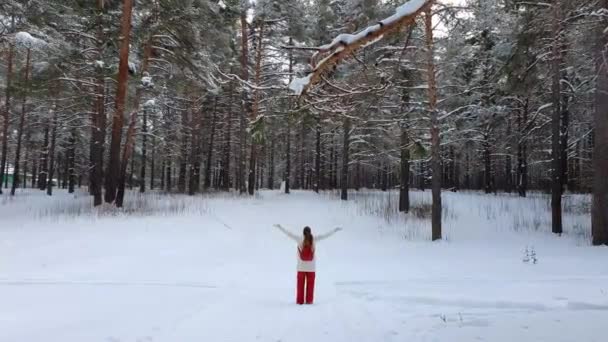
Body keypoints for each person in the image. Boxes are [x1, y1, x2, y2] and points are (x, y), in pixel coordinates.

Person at [273, 224, 342, 305]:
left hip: (301, 268)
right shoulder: (314, 239)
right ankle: (309, 301)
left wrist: (280, 227)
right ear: (310, 232)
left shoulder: (299, 239)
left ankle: (300, 302)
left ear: (303, 233)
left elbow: (288, 233)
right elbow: (325, 236)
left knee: (300, 287)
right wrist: (334, 230)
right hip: (311, 268)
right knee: (310, 287)